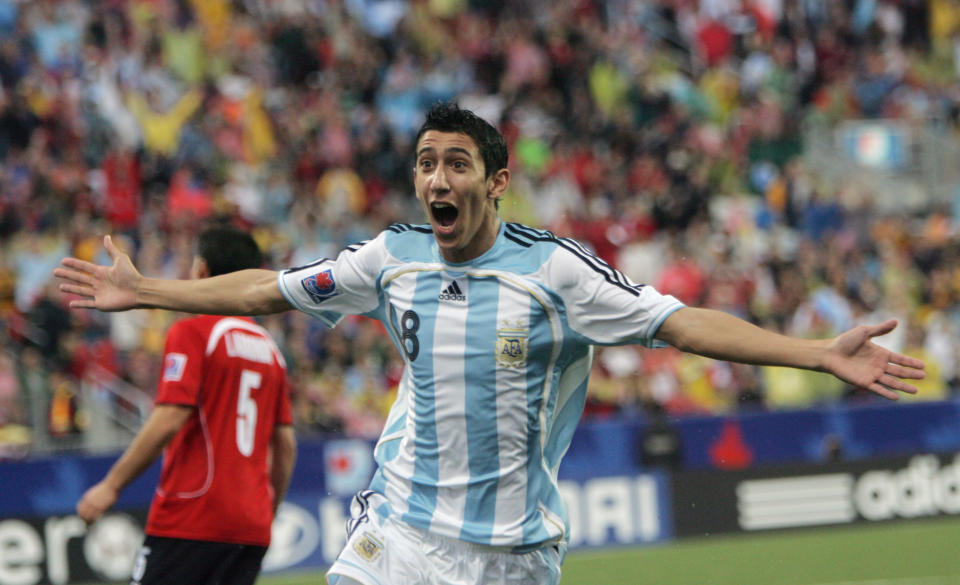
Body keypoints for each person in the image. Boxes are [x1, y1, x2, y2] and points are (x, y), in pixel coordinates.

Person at [58, 102, 924, 585]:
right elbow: (266, 288)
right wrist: (145, 293)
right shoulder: (390, 256)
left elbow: (682, 323)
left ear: (496, 181)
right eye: (427, 161)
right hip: (396, 533)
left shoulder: (557, 274)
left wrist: (816, 352)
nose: (438, 177)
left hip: (510, 554)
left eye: (458, 163)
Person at [74, 225, 297, 585]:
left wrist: (111, 486)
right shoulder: (271, 350)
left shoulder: (193, 331)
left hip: (193, 516)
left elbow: (170, 416)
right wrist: (265, 514)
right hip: (251, 528)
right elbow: (285, 447)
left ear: (202, 272)